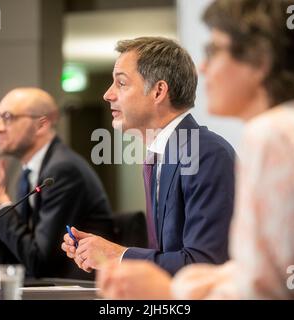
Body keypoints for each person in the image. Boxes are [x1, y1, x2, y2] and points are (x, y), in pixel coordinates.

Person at [95, 0, 294, 299]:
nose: (203, 67)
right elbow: (263, 272)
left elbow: (272, 292)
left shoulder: (277, 134)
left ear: (260, 61)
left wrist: (169, 291)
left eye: (214, 50)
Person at [61, 37, 236, 275]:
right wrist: (105, 254)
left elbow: (203, 264)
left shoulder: (208, 154)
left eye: (121, 83)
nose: (107, 94)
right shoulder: (156, 157)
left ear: (158, 91)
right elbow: (167, 256)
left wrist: (118, 256)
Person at [0, 87, 113, 280]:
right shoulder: (28, 175)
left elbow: (40, 264)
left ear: (41, 124)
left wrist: (0, 201)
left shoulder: (62, 171)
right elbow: (16, 258)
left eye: (7, 117)